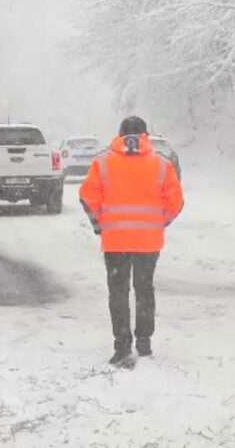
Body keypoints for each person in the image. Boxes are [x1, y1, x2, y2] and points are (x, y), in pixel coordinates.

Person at [80, 116, 184, 366]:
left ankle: (122, 344)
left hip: (115, 240)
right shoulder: (161, 164)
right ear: (146, 135)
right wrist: (161, 222)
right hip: (148, 241)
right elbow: (176, 202)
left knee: (119, 292)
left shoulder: (103, 162)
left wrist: (99, 224)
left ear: (120, 135)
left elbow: (87, 196)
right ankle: (144, 342)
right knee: (144, 290)